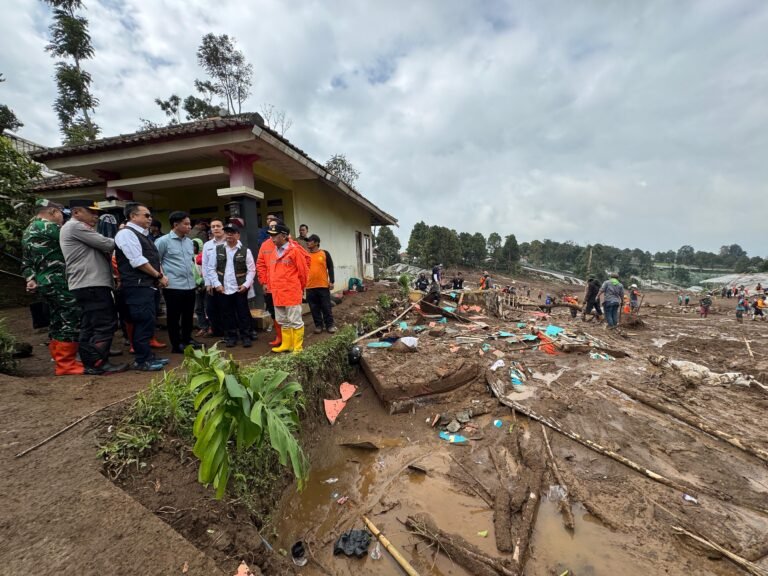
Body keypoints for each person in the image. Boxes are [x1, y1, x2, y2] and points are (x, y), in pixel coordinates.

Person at [59, 199, 127, 375]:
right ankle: (98, 363)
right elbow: (108, 244)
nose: (96, 216)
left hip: (85, 284)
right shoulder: (75, 227)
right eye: (91, 212)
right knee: (105, 323)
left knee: (89, 324)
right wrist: (123, 234)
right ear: (76, 212)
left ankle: (90, 361)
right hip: (91, 284)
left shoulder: (73, 228)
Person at [22, 199, 83, 375]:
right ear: (53, 212)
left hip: (43, 282)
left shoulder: (28, 231)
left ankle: (59, 358)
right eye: (61, 215)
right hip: (58, 280)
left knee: (57, 318)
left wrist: (30, 278)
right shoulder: (50, 228)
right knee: (69, 316)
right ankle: (67, 364)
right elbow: (75, 242)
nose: (62, 219)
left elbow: (26, 262)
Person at [115, 203, 170, 371]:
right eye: (146, 215)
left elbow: (153, 259)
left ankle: (148, 356)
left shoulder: (143, 235)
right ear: (133, 216)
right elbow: (137, 260)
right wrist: (158, 275)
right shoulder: (126, 234)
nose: (150, 218)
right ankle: (142, 360)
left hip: (147, 286)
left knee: (148, 322)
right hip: (137, 287)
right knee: (142, 322)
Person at [155, 211, 201, 353]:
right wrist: (161, 277)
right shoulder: (163, 241)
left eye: (189, 223)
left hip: (190, 285)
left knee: (188, 315)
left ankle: (187, 339)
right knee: (174, 317)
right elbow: (156, 261)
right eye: (186, 224)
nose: (189, 226)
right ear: (176, 225)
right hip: (173, 286)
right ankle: (176, 344)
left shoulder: (188, 242)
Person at [262, 224, 309, 353]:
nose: (272, 239)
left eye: (274, 236)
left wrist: (300, 288)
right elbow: (270, 272)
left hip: (291, 292)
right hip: (277, 292)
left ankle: (297, 347)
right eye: (270, 235)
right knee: (282, 320)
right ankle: (287, 345)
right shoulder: (274, 252)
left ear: (283, 236)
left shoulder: (295, 251)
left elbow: (303, 272)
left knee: (295, 321)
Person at [208, 223, 256, 348]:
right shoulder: (217, 250)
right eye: (227, 232)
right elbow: (211, 269)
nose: (229, 234)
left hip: (239, 288)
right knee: (226, 313)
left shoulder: (246, 251)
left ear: (238, 235)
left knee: (243, 313)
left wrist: (246, 284)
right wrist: (217, 284)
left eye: (232, 232)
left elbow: (252, 270)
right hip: (223, 288)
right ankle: (231, 336)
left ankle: (246, 336)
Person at [200, 218, 227, 337]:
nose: (215, 228)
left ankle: (229, 332)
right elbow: (205, 265)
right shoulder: (207, 245)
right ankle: (217, 331)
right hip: (212, 280)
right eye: (213, 226)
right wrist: (208, 283)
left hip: (227, 280)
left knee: (226, 307)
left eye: (218, 226)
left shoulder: (230, 242)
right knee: (211, 308)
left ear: (223, 228)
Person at [305, 234, 337, 334]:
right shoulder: (306, 255)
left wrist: (331, 281)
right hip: (310, 286)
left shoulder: (324, 253)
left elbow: (330, 267)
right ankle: (318, 325)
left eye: (310, 241)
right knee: (314, 308)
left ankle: (330, 325)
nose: (308, 243)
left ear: (316, 243)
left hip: (323, 285)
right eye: (308, 241)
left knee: (326, 306)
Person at [192, 238, 209, 334]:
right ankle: (203, 327)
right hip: (195, 286)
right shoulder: (189, 257)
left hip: (205, 285)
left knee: (208, 307)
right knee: (198, 308)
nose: (192, 248)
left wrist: (203, 282)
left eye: (194, 246)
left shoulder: (203, 256)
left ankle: (211, 326)